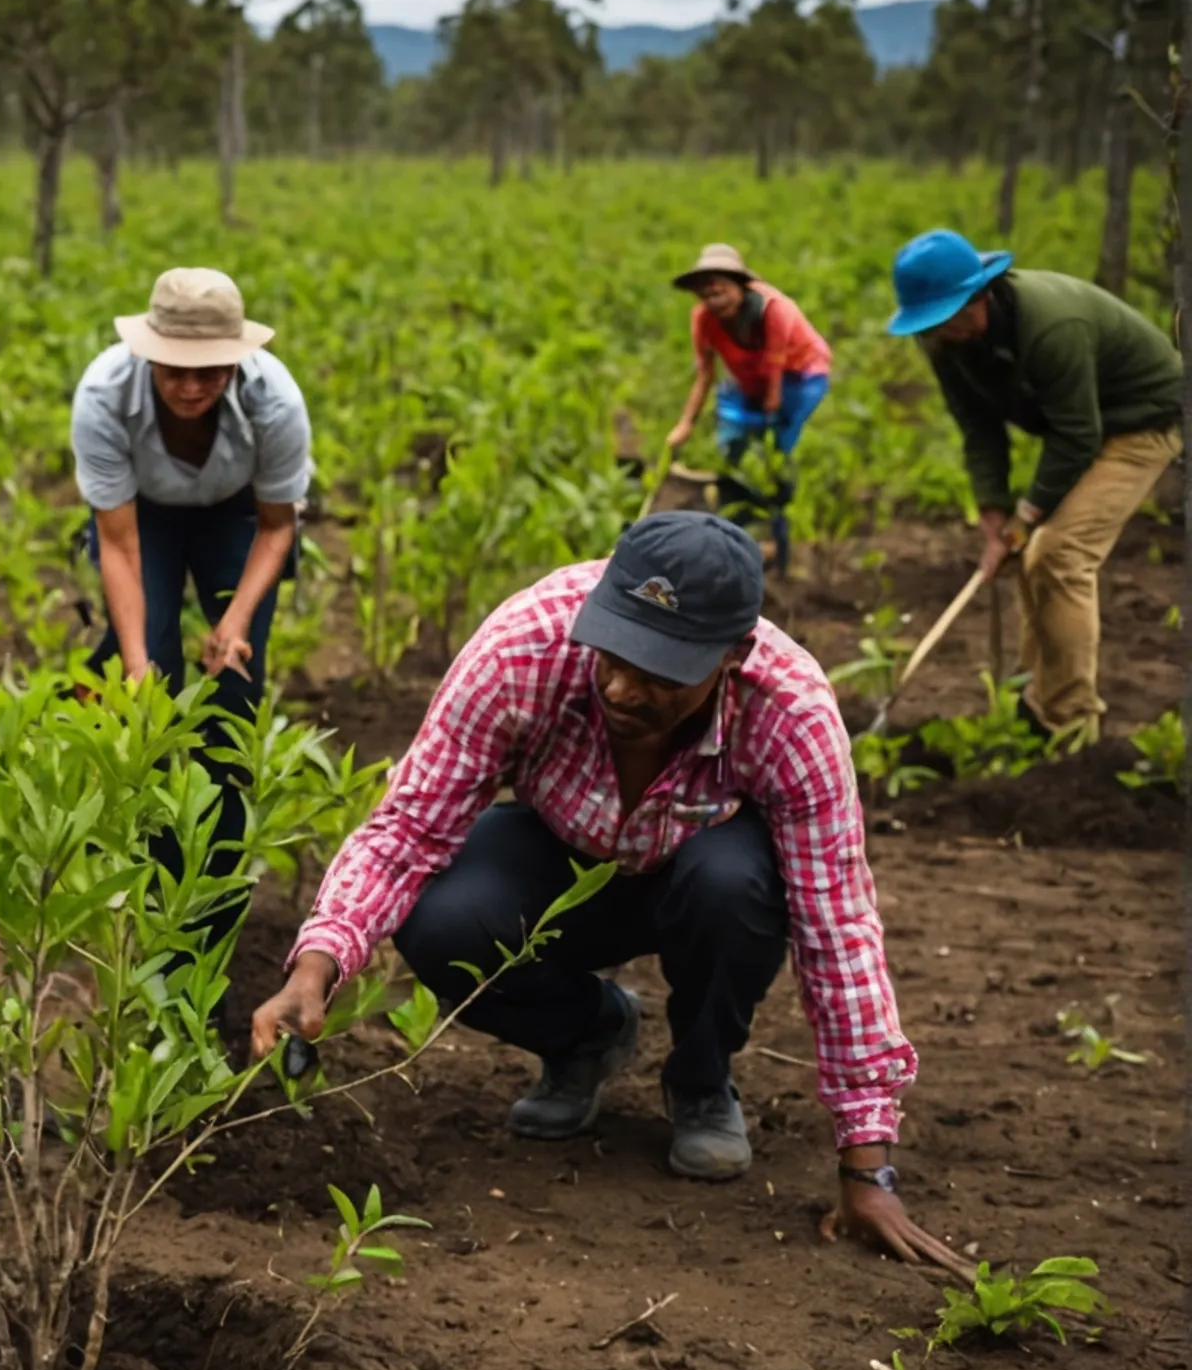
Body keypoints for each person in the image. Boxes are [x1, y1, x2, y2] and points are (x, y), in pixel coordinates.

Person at [250, 514, 963, 1274]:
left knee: (732, 884)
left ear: (733, 656)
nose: (622, 687)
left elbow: (838, 928)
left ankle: (701, 1078)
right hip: (559, 862)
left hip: (705, 884)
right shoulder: (525, 648)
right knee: (441, 917)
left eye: (662, 673)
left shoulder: (791, 713)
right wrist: (318, 961)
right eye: (615, 652)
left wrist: (867, 1168)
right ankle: (585, 1036)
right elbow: (409, 828)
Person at [887, 228, 1185, 750]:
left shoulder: (1051, 327)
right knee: (1028, 555)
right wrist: (994, 513)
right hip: (1081, 425)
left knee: (1059, 553)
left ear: (979, 296)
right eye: (929, 325)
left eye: (948, 320)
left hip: (1144, 420)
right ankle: (1032, 703)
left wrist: (1026, 518)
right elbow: (979, 430)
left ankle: (1071, 721)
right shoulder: (944, 340)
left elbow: (1078, 435)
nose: (940, 335)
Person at [71, 266, 311, 908]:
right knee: (147, 684)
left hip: (237, 515)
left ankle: (214, 880)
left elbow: (276, 528)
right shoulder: (103, 394)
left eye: (211, 370)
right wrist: (134, 662)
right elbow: (119, 543)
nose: (191, 386)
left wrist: (233, 623)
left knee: (233, 687)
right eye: (174, 368)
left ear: (238, 360)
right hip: (141, 516)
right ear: (146, 352)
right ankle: (144, 866)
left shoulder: (276, 400)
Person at [661, 242, 832, 573]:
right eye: (707, 294)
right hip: (750, 379)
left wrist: (770, 411)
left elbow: (775, 368)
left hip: (798, 376)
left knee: (777, 454)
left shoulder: (774, 310)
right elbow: (706, 374)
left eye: (721, 290)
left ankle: (780, 525)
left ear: (740, 286)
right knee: (732, 444)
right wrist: (685, 424)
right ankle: (739, 517)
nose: (714, 300)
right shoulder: (704, 321)